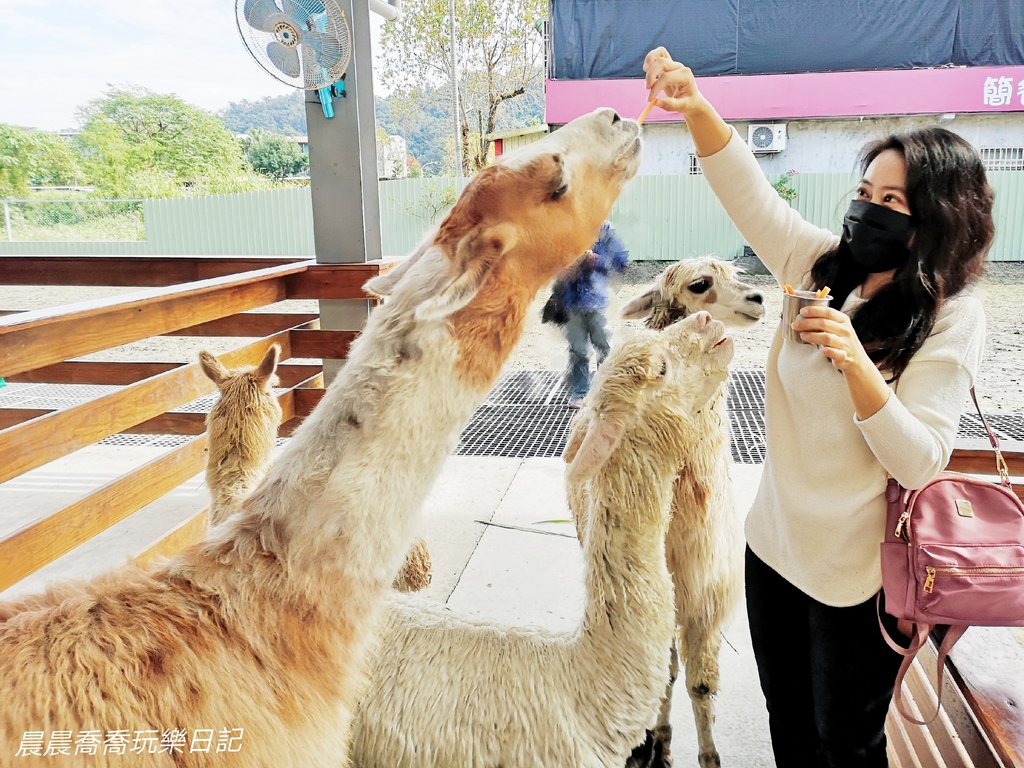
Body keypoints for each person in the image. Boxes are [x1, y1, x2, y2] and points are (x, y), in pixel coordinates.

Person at [643, 48, 994, 767]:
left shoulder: (951, 315)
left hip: (854, 579)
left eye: (892, 201)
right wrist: (697, 107)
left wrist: (855, 360)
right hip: (773, 548)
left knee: (846, 746)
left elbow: (920, 457)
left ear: (935, 217)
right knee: (789, 728)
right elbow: (750, 194)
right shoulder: (819, 265)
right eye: (865, 191)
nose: (868, 208)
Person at [551, 220, 630, 407]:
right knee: (578, 350)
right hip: (570, 301)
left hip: (596, 301)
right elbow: (551, 260)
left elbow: (621, 260)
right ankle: (580, 393)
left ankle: (606, 392)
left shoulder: (605, 228)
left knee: (604, 346)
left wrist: (598, 261)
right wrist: (563, 268)